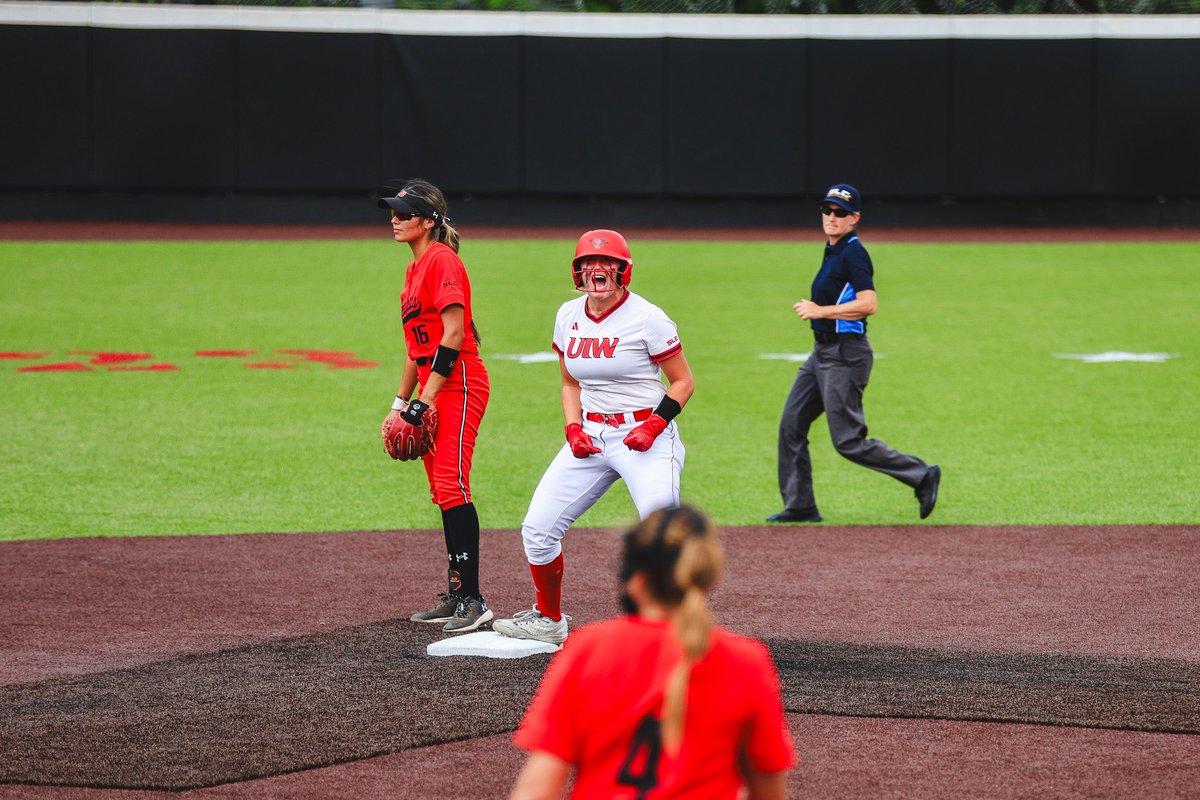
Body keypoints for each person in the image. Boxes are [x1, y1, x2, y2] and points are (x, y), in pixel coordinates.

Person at [508, 505, 796, 800]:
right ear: (706, 575)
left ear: (637, 580)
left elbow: (536, 791)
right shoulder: (746, 661)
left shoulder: (587, 650)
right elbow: (769, 791)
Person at [493, 230, 694, 646]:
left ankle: (673, 630)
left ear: (624, 272)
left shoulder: (648, 317)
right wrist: (573, 428)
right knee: (538, 527)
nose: (597, 271)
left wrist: (654, 426)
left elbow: (683, 383)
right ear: (577, 270)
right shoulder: (568, 313)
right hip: (592, 434)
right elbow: (570, 384)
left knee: (662, 533)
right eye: (588, 264)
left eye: (607, 265)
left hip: (646, 435)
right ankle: (548, 620)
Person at [770, 183, 940, 524]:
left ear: (854, 218)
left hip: (845, 357)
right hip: (821, 355)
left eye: (841, 213)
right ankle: (800, 504)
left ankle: (921, 474)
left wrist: (821, 311)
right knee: (791, 426)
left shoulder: (854, 253)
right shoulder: (833, 248)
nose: (832, 217)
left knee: (847, 441)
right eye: (827, 210)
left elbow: (868, 304)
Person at [377, 178, 493, 633]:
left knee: (452, 485)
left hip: (459, 382)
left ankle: (473, 600)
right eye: (393, 211)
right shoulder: (413, 271)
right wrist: (398, 403)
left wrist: (423, 402)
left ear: (428, 220)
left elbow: (454, 334)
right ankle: (458, 591)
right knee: (441, 491)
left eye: (405, 213)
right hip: (432, 385)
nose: (395, 218)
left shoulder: (442, 260)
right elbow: (413, 350)